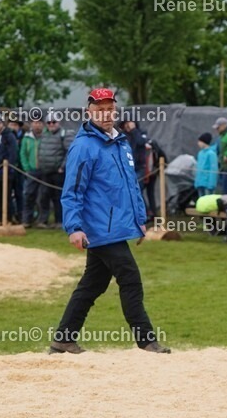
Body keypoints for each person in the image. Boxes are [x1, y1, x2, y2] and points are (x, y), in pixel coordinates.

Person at [50, 88, 169, 355]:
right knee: (130, 278)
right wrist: (74, 227)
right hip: (99, 230)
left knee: (92, 284)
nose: (106, 114)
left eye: (110, 109)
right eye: (100, 109)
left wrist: (140, 220)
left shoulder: (120, 142)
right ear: (89, 112)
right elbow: (72, 191)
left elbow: (131, 186)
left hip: (115, 228)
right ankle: (146, 340)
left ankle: (63, 338)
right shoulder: (83, 146)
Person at [36, 114, 72, 229]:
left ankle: (59, 221)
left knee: (58, 197)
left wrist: (63, 167)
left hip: (58, 172)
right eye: (49, 122)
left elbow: (69, 152)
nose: (51, 124)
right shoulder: (44, 135)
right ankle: (43, 220)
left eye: (53, 122)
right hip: (45, 172)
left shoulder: (64, 134)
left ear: (58, 122)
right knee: (44, 197)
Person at [19, 118, 42, 227]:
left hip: (44, 170)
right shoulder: (26, 137)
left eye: (39, 123)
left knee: (44, 196)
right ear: (31, 124)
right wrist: (26, 168)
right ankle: (26, 220)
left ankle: (42, 221)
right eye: (35, 123)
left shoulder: (47, 136)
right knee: (28, 195)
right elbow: (23, 154)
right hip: (31, 171)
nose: (37, 125)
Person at [194, 132, 218, 198]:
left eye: (200, 141)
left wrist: (211, 184)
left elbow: (213, 169)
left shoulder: (211, 154)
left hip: (207, 183)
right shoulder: (200, 153)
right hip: (200, 182)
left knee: (208, 201)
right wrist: (197, 182)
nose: (198, 143)